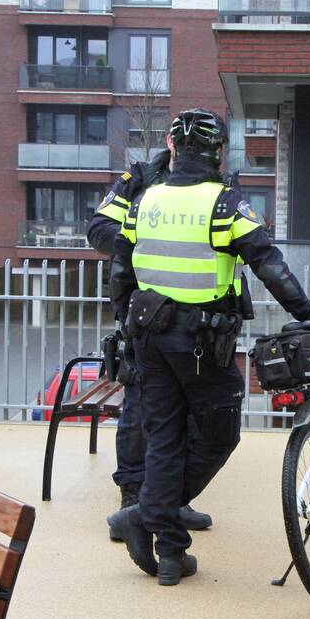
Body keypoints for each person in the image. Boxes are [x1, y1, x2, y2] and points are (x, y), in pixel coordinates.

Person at [109, 108, 310, 585]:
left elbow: (121, 270)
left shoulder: (145, 199)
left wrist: (125, 325)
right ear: (217, 152)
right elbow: (269, 265)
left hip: (149, 337)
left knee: (164, 438)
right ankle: (148, 515)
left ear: (174, 149)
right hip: (200, 342)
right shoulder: (224, 204)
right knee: (218, 434)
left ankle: (171, 555)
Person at [87, 139, 213, 540]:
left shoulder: (215, 182)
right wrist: (147, 237)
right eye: (187, 139)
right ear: (171, 141)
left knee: (189, 412)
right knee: (140, 406)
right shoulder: (140, 178)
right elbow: (98, 230)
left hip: (195, 318)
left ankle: (169, 501)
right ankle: (132, 500)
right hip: (145, 312)